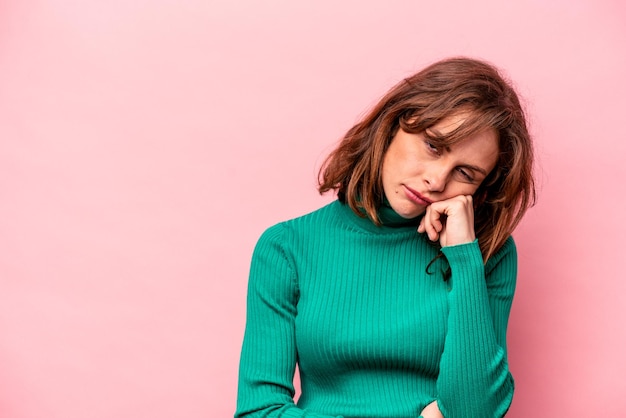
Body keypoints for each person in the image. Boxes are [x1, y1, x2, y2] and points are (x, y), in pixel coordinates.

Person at [234, 57, 536, 418]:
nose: (437, 181)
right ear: (393, 124)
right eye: (434, 146)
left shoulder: (488, 253)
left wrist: (464, 259)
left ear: (482, 189)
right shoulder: (288, 247)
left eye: (465, 173)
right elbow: (259, 411)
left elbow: (477, 411)